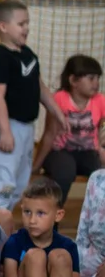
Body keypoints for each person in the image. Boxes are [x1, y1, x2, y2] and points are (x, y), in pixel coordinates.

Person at [0, 0, 68, 213]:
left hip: (25, 126)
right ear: (3, 26)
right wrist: (5, 132)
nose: (27, 28)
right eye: (21, 24)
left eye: (27, 23)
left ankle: (3, 221)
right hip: (5, 124)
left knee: (20, 185)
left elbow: (39, 87)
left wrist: (57, 112)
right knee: (5, 184)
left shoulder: (28, 54)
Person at [32, 54, 105, 206]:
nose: (96, 83)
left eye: (98, 78)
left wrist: (101, 149)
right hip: (61, 151)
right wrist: (36, 165)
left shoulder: (100, 100)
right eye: (91, 78)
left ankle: (97, 220)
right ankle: (53, 216)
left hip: (88, 152)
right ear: (73, 81)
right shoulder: (59, 99)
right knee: (65, 173)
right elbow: (49, 134)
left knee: (100, 175)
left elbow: (101, 128)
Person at [77, 169, 105, 277]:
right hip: (95, 251)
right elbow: (85, 218)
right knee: (63, 257)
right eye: (103, 146)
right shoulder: (96, 177)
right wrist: (78, 250)